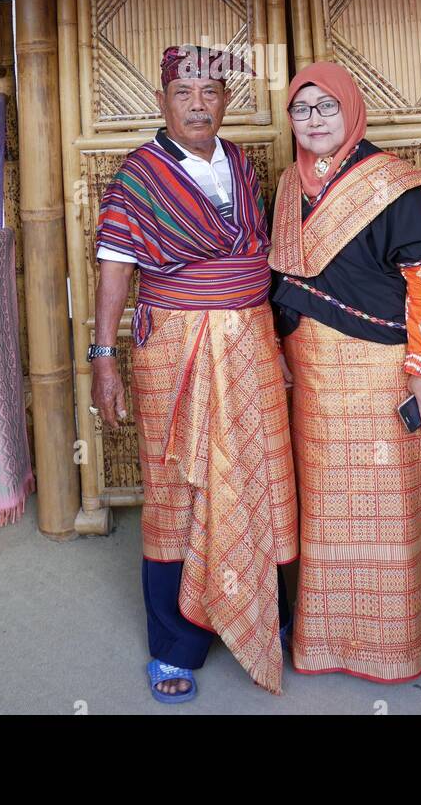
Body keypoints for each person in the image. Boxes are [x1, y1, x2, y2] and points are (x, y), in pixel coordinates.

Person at [93, 45, 297, 702]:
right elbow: (116, 269)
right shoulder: (137, 176)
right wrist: (102, 359)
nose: (198, 104)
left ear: (226, 102)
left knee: (257, 471)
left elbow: (262, 257)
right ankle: (176, 644)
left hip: (250, 341)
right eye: (184, 93)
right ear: (162, 102)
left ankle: (268, 614)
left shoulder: (241, 163)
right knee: (177, 485)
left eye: (210, 92)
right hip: (173, 347)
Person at [269, 60, 421, 683]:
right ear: (290, 117)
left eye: (328, 107)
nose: (315, 120)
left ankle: (396, 640)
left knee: (389, 504)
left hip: (383, 371)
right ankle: (326, 637)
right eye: (303, 108)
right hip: (313, 373)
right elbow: (282, 279)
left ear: (351, 110)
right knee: (325, 505)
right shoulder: (286, 187)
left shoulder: (390, 184)